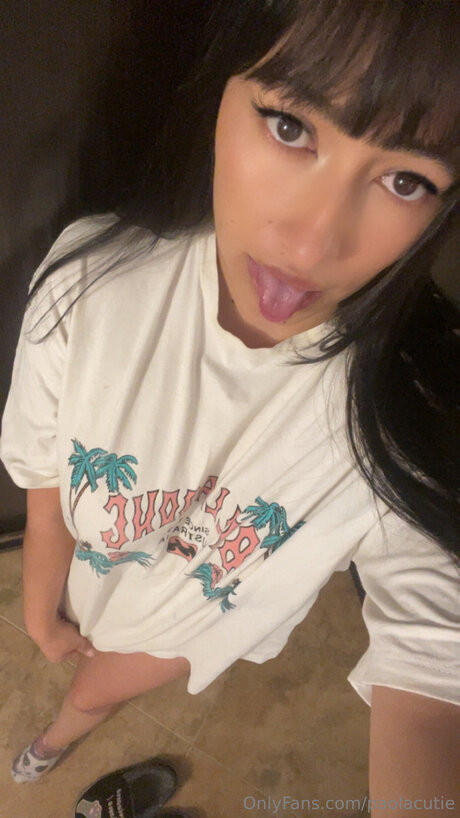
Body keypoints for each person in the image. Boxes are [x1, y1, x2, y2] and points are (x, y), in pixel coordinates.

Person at [1, 0, 459, 814]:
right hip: (85, 583)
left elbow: (436, 673)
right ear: (220, 87)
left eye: (405, 181)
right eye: (291, 126)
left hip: (182, 637)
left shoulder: (396, 423)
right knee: (80, 665)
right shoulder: (91, 284)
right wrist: (41, 604)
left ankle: (51, 747)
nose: (312, 244)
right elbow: (43, 469)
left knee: (95, 694)